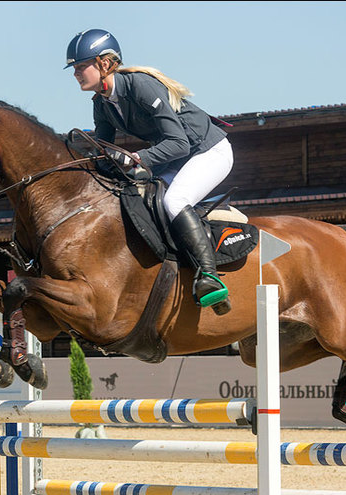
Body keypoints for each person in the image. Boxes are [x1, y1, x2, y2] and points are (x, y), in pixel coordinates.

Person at [65, 28, 234, 315]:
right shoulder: (101, 104)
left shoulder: (140, 86)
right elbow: (105, 153)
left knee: (174, 201)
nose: (76, 74)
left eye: (81, 66)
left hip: (208, 151)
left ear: (105, 63)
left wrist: (137, 158)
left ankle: (209, 276)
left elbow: (179, 142)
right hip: (177, 158)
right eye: (74, 68)